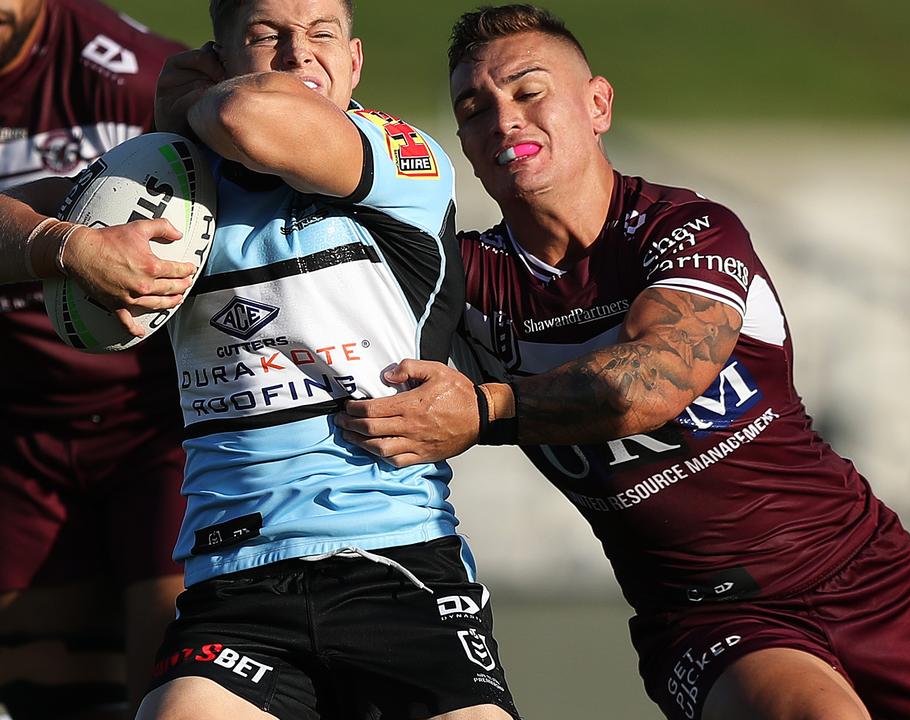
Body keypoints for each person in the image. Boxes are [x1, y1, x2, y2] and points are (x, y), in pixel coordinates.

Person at [334, 5, 910, 719]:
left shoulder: (685, 228)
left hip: (867, 574)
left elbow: (650, 386)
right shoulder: (465, 280)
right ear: (463, 145)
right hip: (707, 620)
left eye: (530, 92)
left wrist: (491, 410)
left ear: (598, 105)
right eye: (474, 109)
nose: (504, 121)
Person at [0, 0, 521, 718]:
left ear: (356, 60)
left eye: (321, 34)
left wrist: (191, 101)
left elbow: (254, 120)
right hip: (235, 585)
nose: (299, 54)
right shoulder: (176, 187)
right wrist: (63, 246)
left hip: (399, 566)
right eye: (267, 35)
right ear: (221, 56)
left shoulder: (402, 158)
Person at [0, 1, 187, 716]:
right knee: (52, 699)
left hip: (156, 429)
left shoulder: (135, 76)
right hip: (19, 434)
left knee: (170, 687)